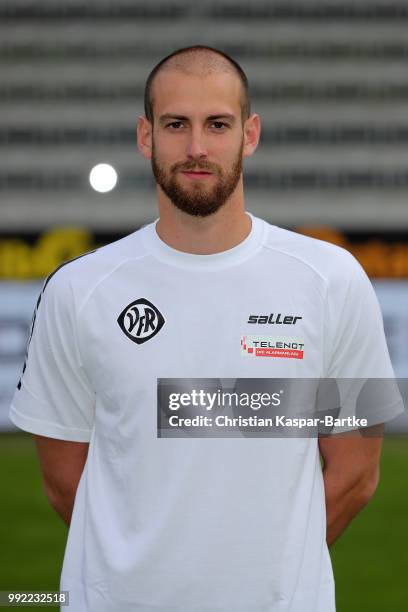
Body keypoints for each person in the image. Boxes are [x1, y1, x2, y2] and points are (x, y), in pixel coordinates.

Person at [9, 45, 404, 612]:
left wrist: (264, 580)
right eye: (176, 125)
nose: (197, 147)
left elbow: (355, 473)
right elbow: (64, 480)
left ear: (250, 134)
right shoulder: (79, 289)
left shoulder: (330, 279)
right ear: (146, 136)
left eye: (217, 124)